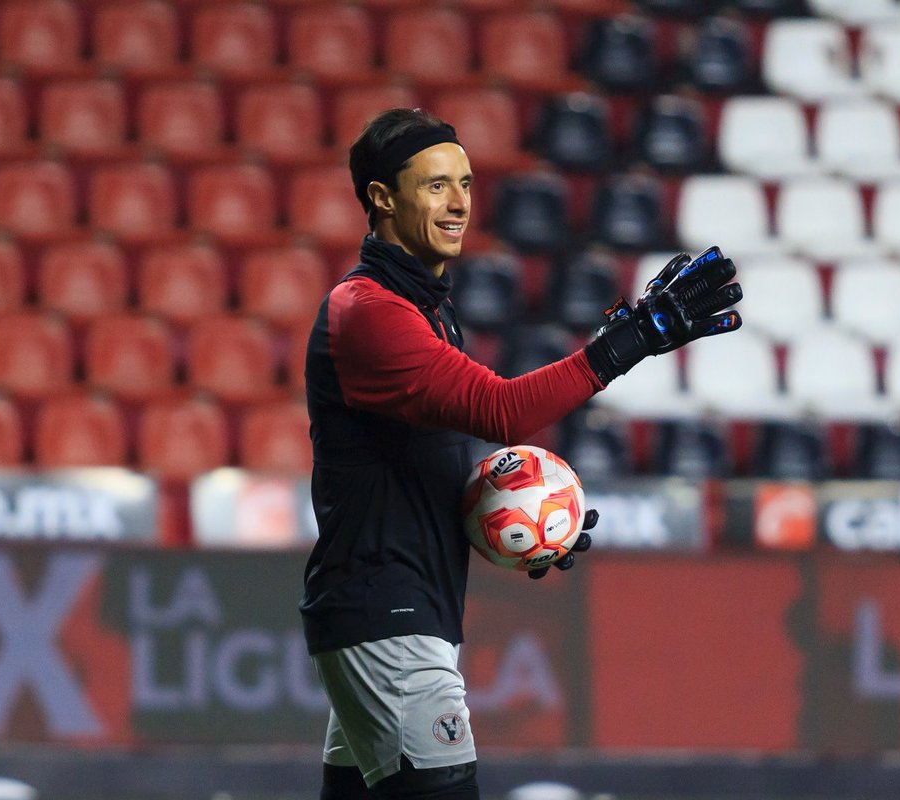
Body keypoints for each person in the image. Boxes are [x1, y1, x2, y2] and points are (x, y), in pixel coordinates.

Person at [299, 107, 744, 800]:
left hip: (392, 616)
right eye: (435, 184)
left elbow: (413, 475)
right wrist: (635, 337)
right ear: (381, 198)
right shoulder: (371, 311)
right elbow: (503, 412)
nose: (459, 203)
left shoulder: (423, 309)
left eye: (467, 183)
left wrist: (523, 524)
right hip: (390, 620)